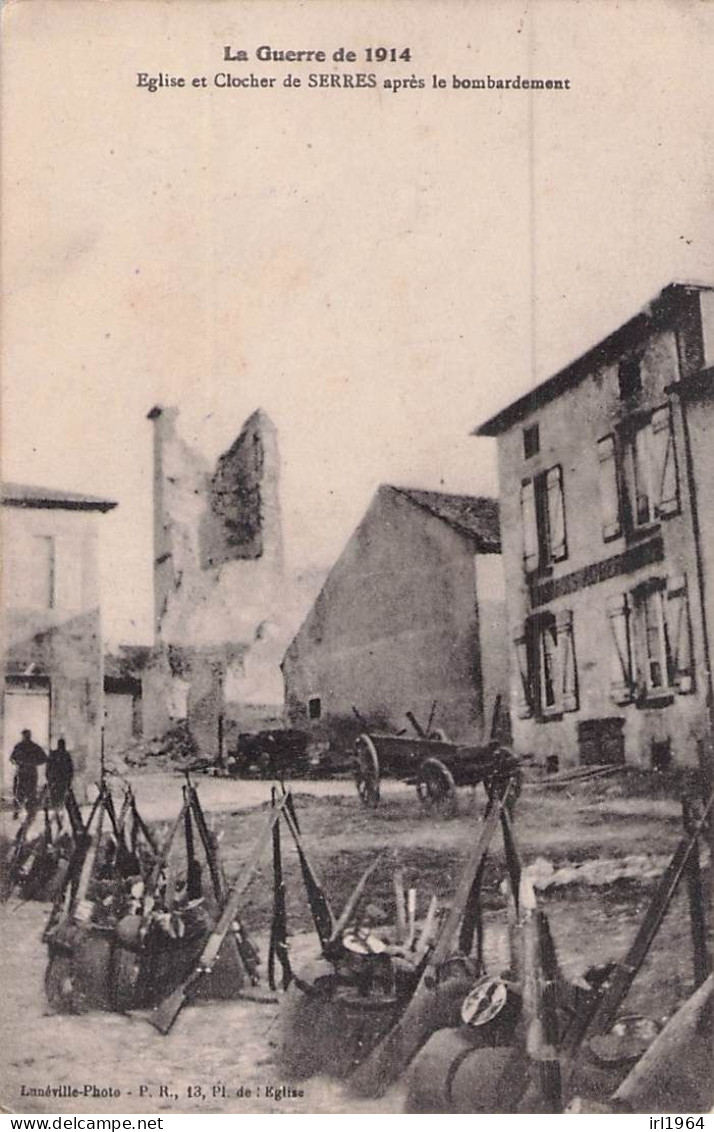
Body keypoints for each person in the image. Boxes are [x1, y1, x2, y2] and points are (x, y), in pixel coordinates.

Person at [10, 729, 47, 818]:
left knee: (23, 793)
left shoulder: (21, 746)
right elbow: (12, 759)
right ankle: (25, 811)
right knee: (25, 793)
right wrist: (31, 763)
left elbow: (43, 758)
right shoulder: (32, 747)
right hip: (28, 773)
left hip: (24, 773)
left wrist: (21, 763)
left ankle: (22, 811)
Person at [46, 737, 74, 809]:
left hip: (56, 780)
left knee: (56, 798)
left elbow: (48, 768)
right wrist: (69, 781)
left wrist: (49, 779)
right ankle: (58, 810)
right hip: (61, 780)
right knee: (60, 798)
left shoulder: (54, 754)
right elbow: (70, 769)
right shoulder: (66, 755)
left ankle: (57, 811)